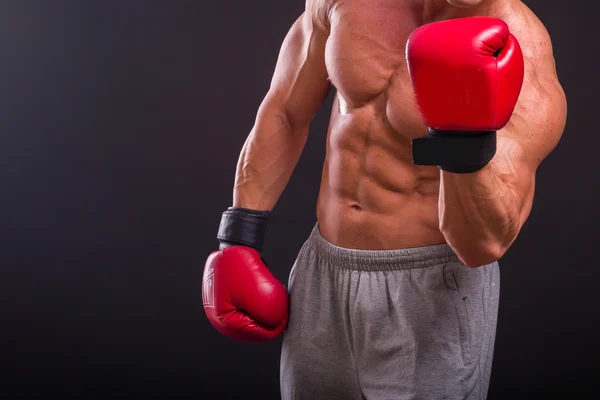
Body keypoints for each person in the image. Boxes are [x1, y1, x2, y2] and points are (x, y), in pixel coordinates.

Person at [202, 0, 567, 398]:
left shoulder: (519, 48)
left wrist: (463, 142)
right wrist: (239, 235)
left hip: (431, 292)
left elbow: (484, 244)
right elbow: (285, 110)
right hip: (323, 272)